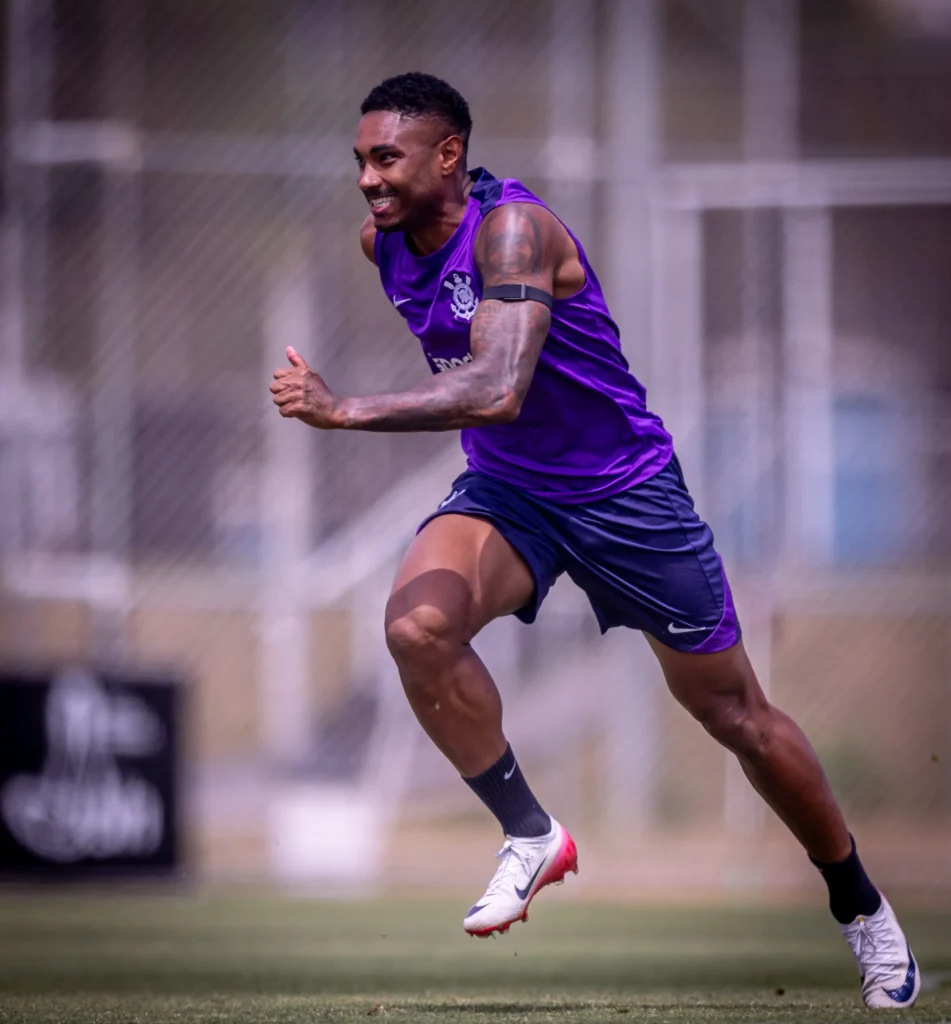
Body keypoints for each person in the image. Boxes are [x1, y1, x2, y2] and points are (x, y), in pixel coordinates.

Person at [270, 72, 918, 1009]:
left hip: (625, 495)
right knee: (416, 628)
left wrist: (344, 410)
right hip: (511, 492)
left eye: (386, 158)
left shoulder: (514, 231)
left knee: (734, 715)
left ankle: (859, 906)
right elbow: (486, 401)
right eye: (360, 160)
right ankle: (530, 835)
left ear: (448, 155)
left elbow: (499, 387)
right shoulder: (383, 244)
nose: (367, 178)